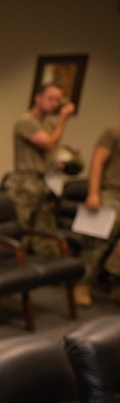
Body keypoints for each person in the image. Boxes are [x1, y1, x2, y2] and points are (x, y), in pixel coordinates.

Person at [8, 83, 76, 257]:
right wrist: (63, 120)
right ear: (38, 98)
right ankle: (11, 263)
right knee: (20, 227)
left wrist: (60, 161)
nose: (54, 104)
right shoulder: (26, 121)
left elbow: (54, 148)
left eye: (57, 100)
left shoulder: (47, 123)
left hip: (45, 181)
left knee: (45, 229)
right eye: (50, 98)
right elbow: (49, 143)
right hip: (26, 182)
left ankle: (50, 272)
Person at [86, 121, 120, 301]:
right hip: (111, 193)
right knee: (96, 243)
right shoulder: (114, 129)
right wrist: (93, 193)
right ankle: (83, 283)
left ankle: (116, 285)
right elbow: (97, 162)